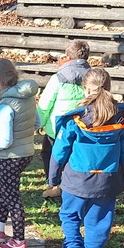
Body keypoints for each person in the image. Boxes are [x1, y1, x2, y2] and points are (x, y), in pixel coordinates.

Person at [48, 68, 124, 248]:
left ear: (85, 89)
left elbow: (59, 151)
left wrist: (53, 178)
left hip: (76, 179)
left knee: (70, 215)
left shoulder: (75, 118)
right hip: (108, 180)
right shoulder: (122, 118)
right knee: (98, 224)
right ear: (109, 87)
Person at [0, 59, 38, 248]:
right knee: (3, 189)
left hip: (10, 156)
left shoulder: (6, 105)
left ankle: (19, 240)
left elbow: (5, 140)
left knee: (12, 196)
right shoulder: (27, 97)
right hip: (26, 152)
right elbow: (37, 122)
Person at [37, 40, 91, 198]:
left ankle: (53, 184)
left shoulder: (58, 77)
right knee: (73, 155)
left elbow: (45, 104)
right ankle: (72, 184)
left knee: (50, 154)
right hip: (83, 125)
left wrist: (39, 123)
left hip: (57, 127)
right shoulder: (92, 76)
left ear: (68, 57)